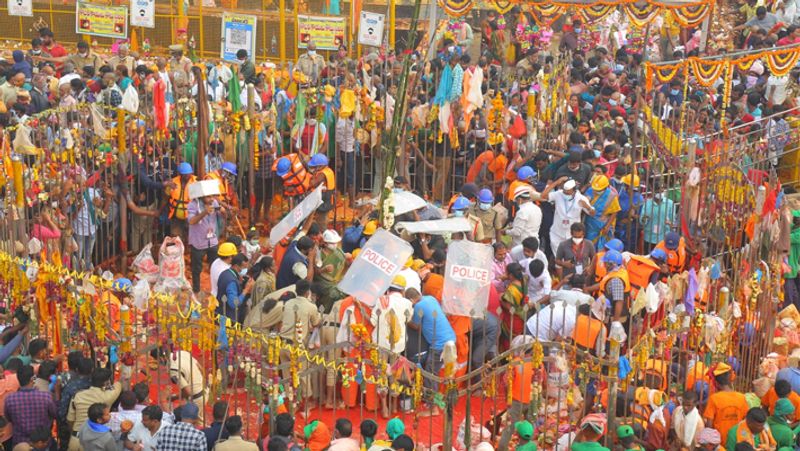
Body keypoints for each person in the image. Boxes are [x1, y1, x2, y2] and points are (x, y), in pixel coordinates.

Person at [67, 367, 124, 451]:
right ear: (106, 382)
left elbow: (70, 420)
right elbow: (119, 384)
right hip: (92, 444)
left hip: (75, 440)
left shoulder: (78, 395)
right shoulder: (108, 396)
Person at [4, 365, 56, 447]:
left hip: (19, 443)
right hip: (42, 443)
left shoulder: (9, 399)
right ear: (32, 379)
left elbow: (8, 418)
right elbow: (54, 414)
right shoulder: (46, 397)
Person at [151, 347, 206, 422]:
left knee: (194, 423)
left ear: (161, 358)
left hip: (196, 398)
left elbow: (188, 391)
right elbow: (201, 368)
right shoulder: (182, 353)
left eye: (157, 361)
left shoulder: (173, 369)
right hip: (204, 390)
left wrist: (175, 397)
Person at [544, 178, 594, 255]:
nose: (565, 194)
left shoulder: (581, 198)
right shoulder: (558, 194)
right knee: (558, 257)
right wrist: (556, 182)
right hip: (557, 232)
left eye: (568, 193)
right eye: (564, 192)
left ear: (574, 190)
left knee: (572, 256)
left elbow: (592, 213)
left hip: (573, 234)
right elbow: (543, 196)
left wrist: (587, 207)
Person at [187, 191, 225, 294]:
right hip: (198, 243)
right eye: (208, 196)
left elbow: (223, 216)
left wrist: (224, 212)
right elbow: (191, 221)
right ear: (201, 196)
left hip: (212, 241)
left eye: (212, 196)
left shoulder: (215, 203)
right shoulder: (193, 205)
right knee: (196, 269)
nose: (211, 198)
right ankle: (196, 291)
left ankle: (216, 290)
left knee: (215, 267)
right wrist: (204, 212)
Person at [703, 364, 749, 441]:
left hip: (719, 441)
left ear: (716, 383)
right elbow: (746, 420)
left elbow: (709, 425)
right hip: (737, 439)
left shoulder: (714, 398)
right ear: (730, 380)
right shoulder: (741, 397)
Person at [216, 253, 254, 324]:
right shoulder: (232, 282)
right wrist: (246, 290)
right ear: (236, 266)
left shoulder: (224, 273)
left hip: (220, 311)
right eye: (244, 267)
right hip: (228, 318)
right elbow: (234, 304)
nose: (245, 270)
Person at [584, 175, 620, 248]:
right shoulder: (590, 190)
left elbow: (615, 212)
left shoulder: (612, 196)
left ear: (606, 187)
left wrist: (607, 226)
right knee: (589, 244)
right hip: (589, 224)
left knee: (603, 246)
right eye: (595, 189)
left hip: (603, 225)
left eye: (599, 190)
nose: (596, 191)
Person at [167, 162, 197, 241]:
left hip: (190, 215)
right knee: (176, 238)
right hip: (175, 216)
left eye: (189, 174)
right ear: (180, 174)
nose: (188, 176)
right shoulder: (173, 182)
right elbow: (165, 197)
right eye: (185, 174)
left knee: (190, 238)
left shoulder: (195, 182)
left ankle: (188, 252)